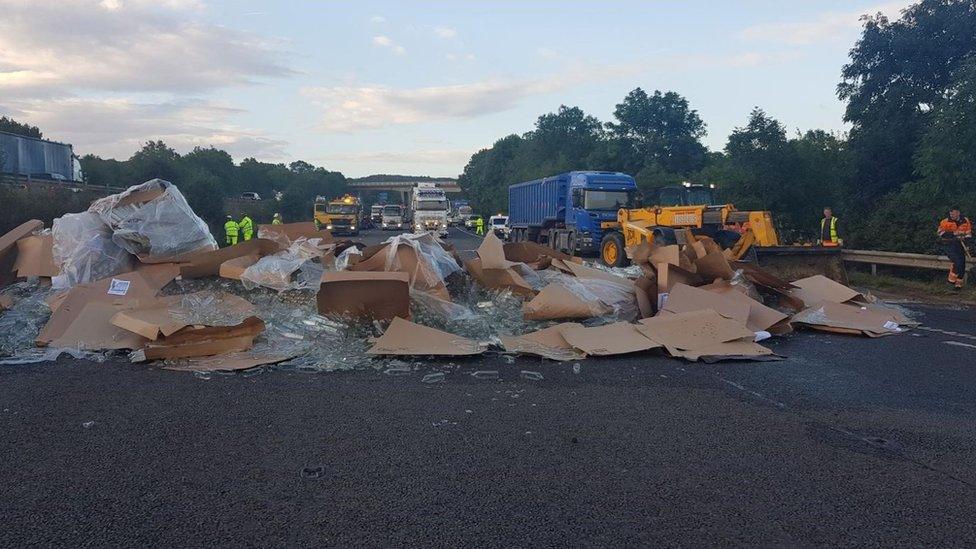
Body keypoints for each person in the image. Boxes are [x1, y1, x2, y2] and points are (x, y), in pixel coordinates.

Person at [938, 206, 972, 289]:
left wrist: (966, 243)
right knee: (957, 262)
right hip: (949, 244)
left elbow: (969, 234)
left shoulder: (965, 221)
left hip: (961, 245)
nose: (951, 216)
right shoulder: (945, 222)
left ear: (958, 213)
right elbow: (941, 233)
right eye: (950, 214)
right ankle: (950, 282)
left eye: (953, 214)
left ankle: (958, 286)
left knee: (962, 265)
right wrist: (954, 234)